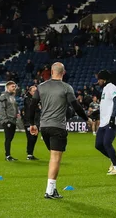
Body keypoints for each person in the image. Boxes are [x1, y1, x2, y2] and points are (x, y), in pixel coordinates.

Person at [28, 62, 92, 199]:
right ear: (64, 72)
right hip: (58, 127)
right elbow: (76, 106)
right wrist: (86, 119)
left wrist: (32, 124)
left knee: (53, 157)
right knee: (55, 158)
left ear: (51, 72)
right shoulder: (66, 87)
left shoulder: (41, 86)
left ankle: (53, 189)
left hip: (44, 127)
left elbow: (32, 105)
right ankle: (49, 190)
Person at [95, 70, 116, 175]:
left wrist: (113, 117)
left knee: (107, 143)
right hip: (103, 122)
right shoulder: (105, 89)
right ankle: (115, 158)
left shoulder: (111, 87)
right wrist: (95, 113)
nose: (98, 82)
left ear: (104, 79)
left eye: (99, 79)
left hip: (110, 121)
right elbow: (106, 106)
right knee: (98, 145)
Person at [0, 81, 19, 161]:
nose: (14, 88)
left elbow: (14, 107)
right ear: (7, 87)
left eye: (15, 86)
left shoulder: (12, 96)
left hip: (13, 120)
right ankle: (7, 155)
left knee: (10, 138)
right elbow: (2, 109)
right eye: (12, 86)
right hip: (8, 121)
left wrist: (17, 113)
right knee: (8, 138)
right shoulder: (3, 96)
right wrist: (5, 120)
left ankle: (8, 155)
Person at [22, 85, 40, 160]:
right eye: (34, 91)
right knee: (31, 138)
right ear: (30, 92)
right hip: (29, 122)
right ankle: (29, 154)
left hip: (36, 122)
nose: (36, 92)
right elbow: (30, 109)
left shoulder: (36, 99)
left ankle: (30, 154)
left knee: (34, 138)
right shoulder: (28, 99)